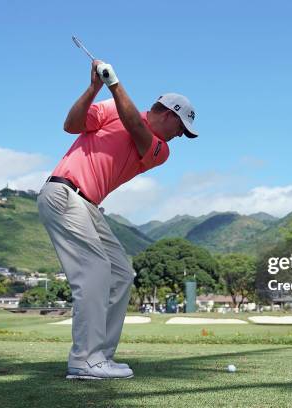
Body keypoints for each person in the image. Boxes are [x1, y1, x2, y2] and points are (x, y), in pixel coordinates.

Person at [37, 59, 198, 380]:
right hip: (64, 193)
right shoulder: (112, 108)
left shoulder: (160, 150)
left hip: (89, 206)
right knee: (95, 271)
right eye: (180, 128)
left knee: (122, 274)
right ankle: (84, 359)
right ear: (168, 114)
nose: (180, 136)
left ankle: (100, 358)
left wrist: (113, 83)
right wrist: (95, 87)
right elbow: (72, 125)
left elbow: (136, 127)